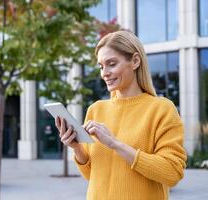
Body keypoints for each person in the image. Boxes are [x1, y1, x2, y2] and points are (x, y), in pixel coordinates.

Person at [55, 30, 187, 200]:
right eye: (101, 66)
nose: (104, 73)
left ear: (135, 61)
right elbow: (91, 175)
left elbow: (172, 172)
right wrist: (77, 148)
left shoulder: (162, 109)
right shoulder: (96, 110)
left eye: (111, 64)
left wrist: (115, 144)